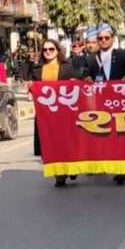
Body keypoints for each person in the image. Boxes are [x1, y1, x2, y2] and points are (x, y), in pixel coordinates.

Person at [85, 23, 125, 185]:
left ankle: (121, 170)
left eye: (107, 38)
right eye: (100, 38)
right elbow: (85, 75)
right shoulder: (91, 58)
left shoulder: (123, 55)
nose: (104, 41)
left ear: (112, 38)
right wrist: (86, 78)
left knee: (120, 136)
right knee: (104, 136)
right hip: (100, 104)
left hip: (120, 103)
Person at [29, 39, 80, 187]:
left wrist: (74, 81)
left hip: (65, 111)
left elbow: (78, 82)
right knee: (51, 143)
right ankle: (59, 174)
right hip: (46, 113)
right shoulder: (37, 69)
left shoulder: (67, 67)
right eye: (45, 50)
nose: (48, 52)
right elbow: (34, 87)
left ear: (57, 50)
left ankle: (71, 167)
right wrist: (31, 87)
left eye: (51, 49)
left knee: (67, 141)